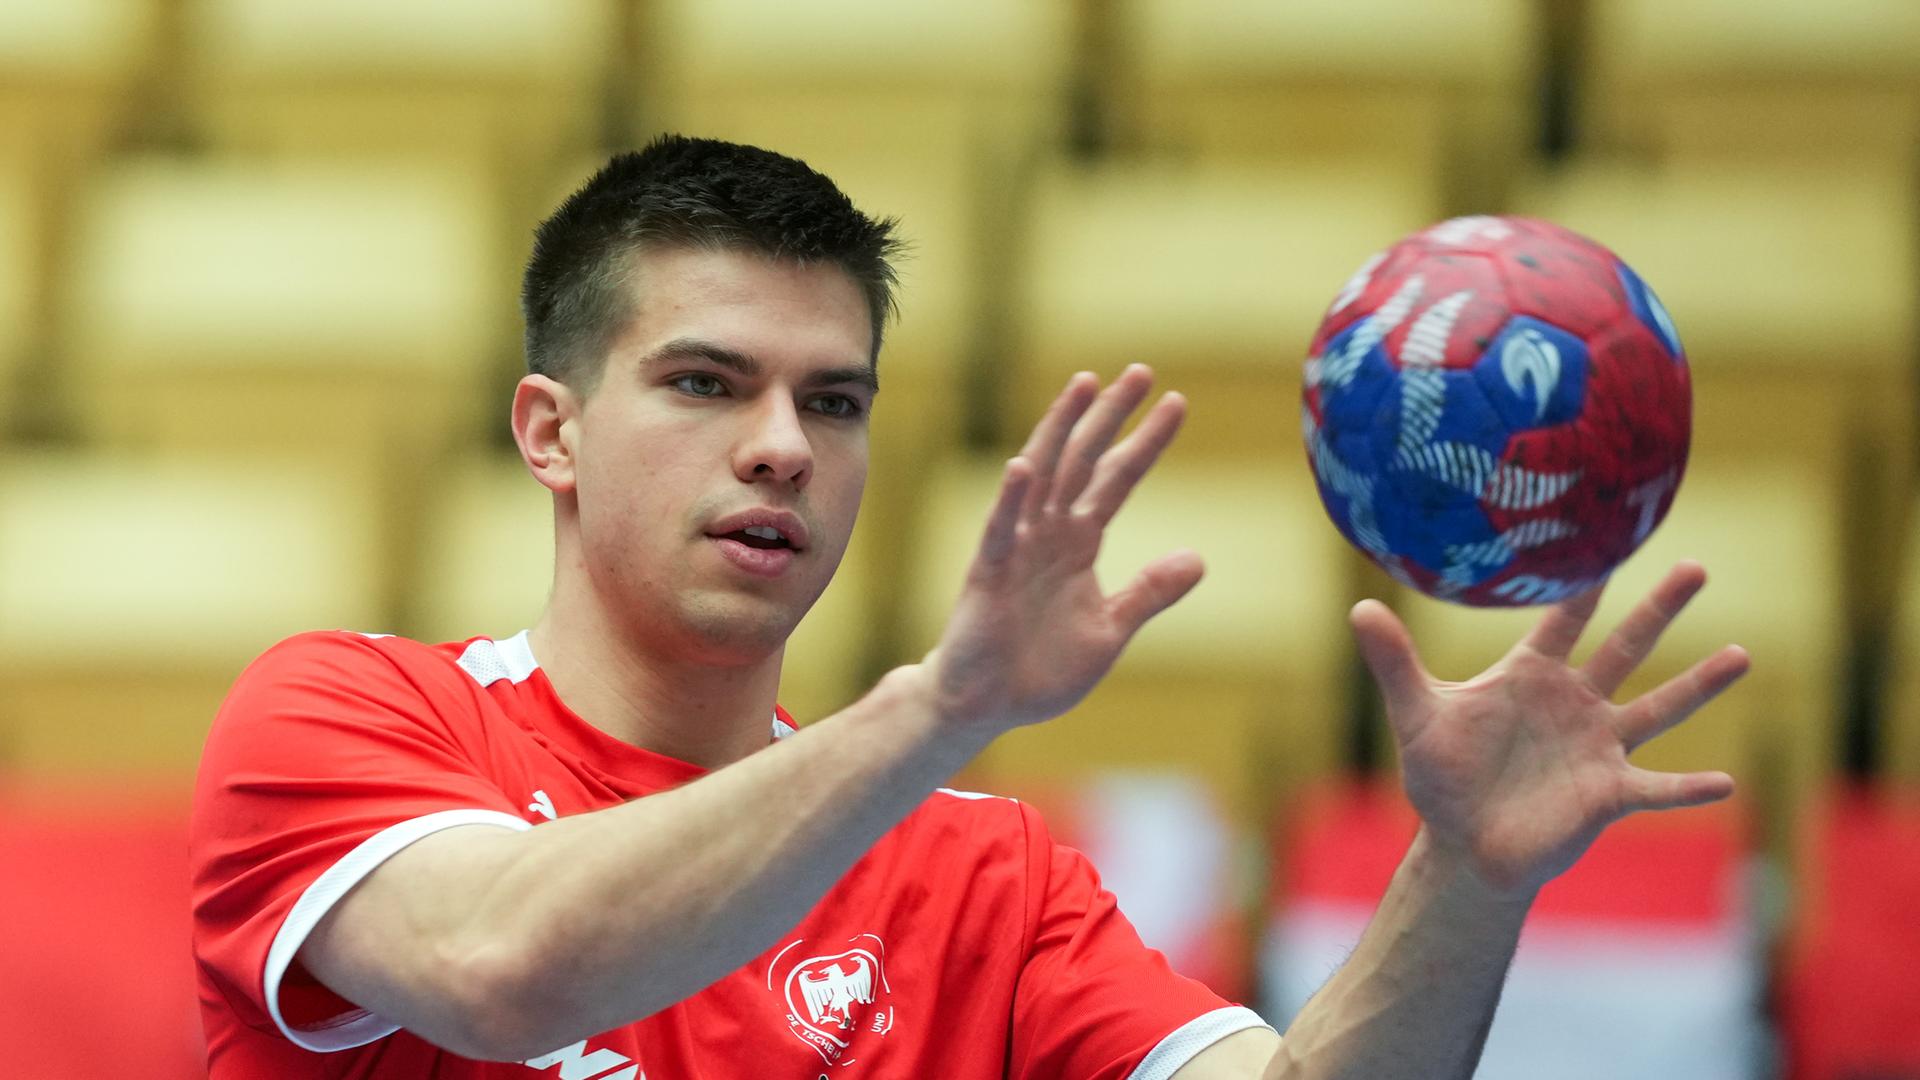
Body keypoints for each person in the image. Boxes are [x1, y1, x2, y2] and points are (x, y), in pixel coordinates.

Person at [189, 135, 1749, 1079]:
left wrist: (1467, 879)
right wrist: (940, 706)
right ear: (551, 432)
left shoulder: (981, 877)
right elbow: (504, 969)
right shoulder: (345, 715)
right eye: (705, 382)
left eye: (837, 399)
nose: (784, 444)